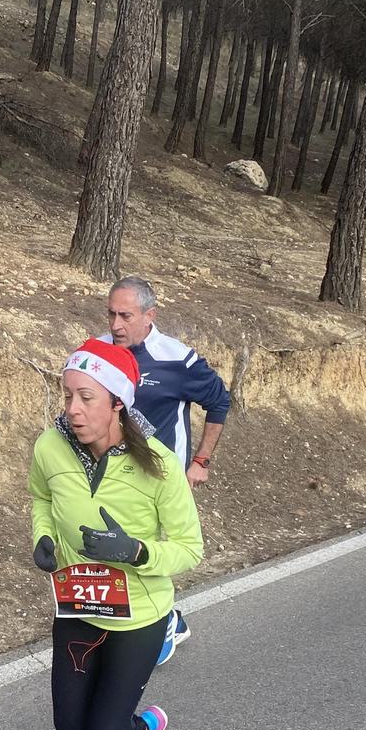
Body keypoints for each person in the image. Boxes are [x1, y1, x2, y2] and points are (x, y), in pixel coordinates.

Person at [30, 337, 203, 730]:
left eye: (86, 398)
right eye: (67, 396)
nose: (73, 410)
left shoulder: (157, 467)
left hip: (138, 619)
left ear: (117, 405)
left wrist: (135, 551)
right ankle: (140, 728)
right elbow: (40, 497)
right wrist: (42, 538)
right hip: (78, 608)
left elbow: (190, 548)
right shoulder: (50, 448)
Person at [101, 276, 231, 665]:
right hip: (112, 472)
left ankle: (164, 625)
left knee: (153, 552)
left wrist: (201, 462)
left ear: (149, 315)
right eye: (111, 314)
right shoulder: (98, 351)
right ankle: (153, 618)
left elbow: (220, 402)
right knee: (117, 546)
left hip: (163, 476)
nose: (115, 325)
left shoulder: (178, 359)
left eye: (126, 315)